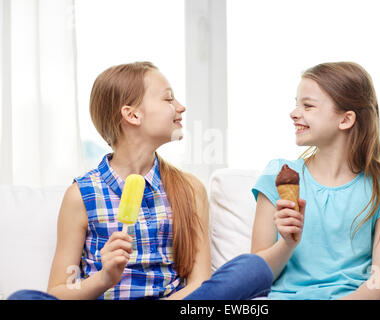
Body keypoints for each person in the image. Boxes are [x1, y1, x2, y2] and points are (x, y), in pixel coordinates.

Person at [8, 61, 272, 300]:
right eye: (168, 99)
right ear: (132, 115)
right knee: (22, 298)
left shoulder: (189, 189)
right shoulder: (81, 194)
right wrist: (104, 278)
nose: (181, 107)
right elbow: (59, 291)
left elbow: (199, 283)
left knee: (254, 269)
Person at [251, 62, 380, 300]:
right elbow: (255, 279)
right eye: (296, 104)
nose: (294, 113)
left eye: (308, 105)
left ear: (345, 120)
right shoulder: (278, 174)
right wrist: (286, 243)